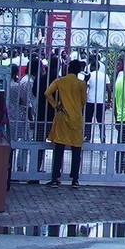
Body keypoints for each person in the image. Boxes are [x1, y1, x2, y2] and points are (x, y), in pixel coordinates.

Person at [42, 59, 88, 187]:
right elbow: (84, 101)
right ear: (79, 70)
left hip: (62, 116)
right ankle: (75, 179)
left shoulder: (60, 81)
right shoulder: (81, 84)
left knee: (59, 148)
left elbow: (47, 93)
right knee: (76, 149)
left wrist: (56, 105)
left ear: (68, 69)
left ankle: (55, 177)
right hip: (76, 118)